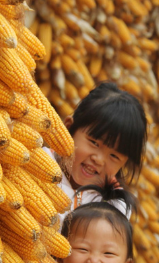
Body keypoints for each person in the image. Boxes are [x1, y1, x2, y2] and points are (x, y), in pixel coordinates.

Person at [44, 81, 147, 223]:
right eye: (94, 143)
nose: (98, 159)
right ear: (68, 128)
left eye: (114, 156)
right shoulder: (37, 164)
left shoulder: (113, 207)